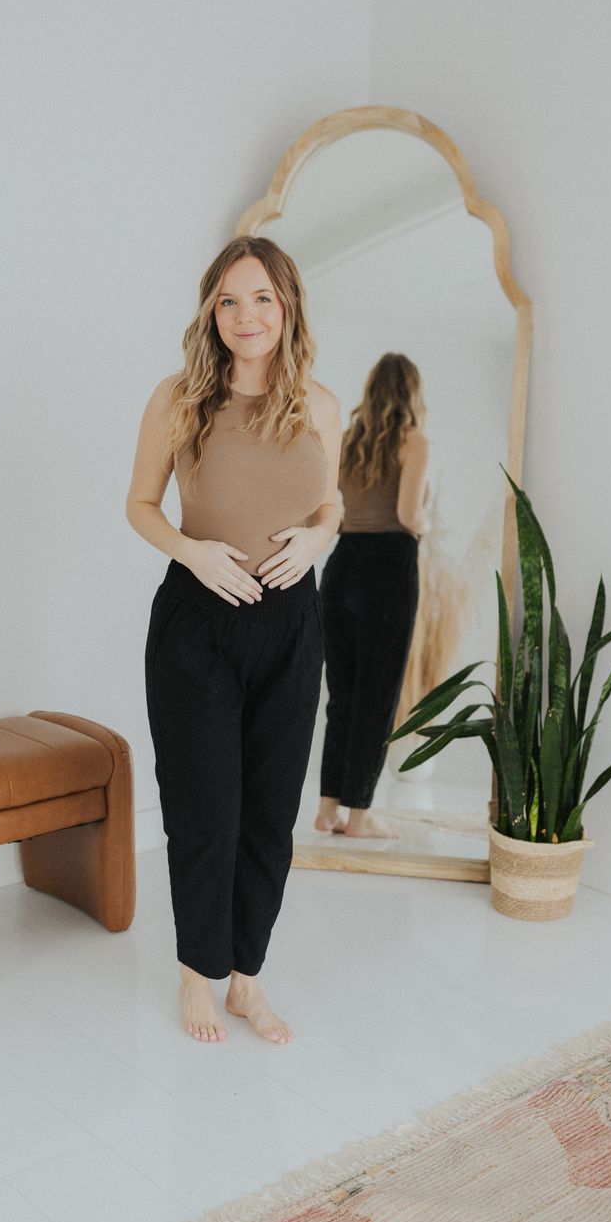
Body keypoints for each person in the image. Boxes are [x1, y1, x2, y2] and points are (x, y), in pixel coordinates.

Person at [125, 236, 342, 1044]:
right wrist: (192, 552)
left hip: (291, 625)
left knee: (269, 814)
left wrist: (319, 538)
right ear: (210, 311)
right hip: (198, 623)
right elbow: (140, 504)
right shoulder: (178, 397)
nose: (244, 315)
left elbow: (332, 504)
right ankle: (197, 976)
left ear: (286, 307)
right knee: (203, 811)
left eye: (261, 298)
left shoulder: (319, 404)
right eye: (227, 300)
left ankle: (246, 979)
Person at [315, 353, 430, 840]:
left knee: (342, 696)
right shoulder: (414, 441)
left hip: (342, 564)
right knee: (377, 697)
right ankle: (360, 815)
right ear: (412, 392)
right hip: (389, 567)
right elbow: (408, 514)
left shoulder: (348, 440)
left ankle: (328, 809)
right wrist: (428, 524)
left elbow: (332, 510)